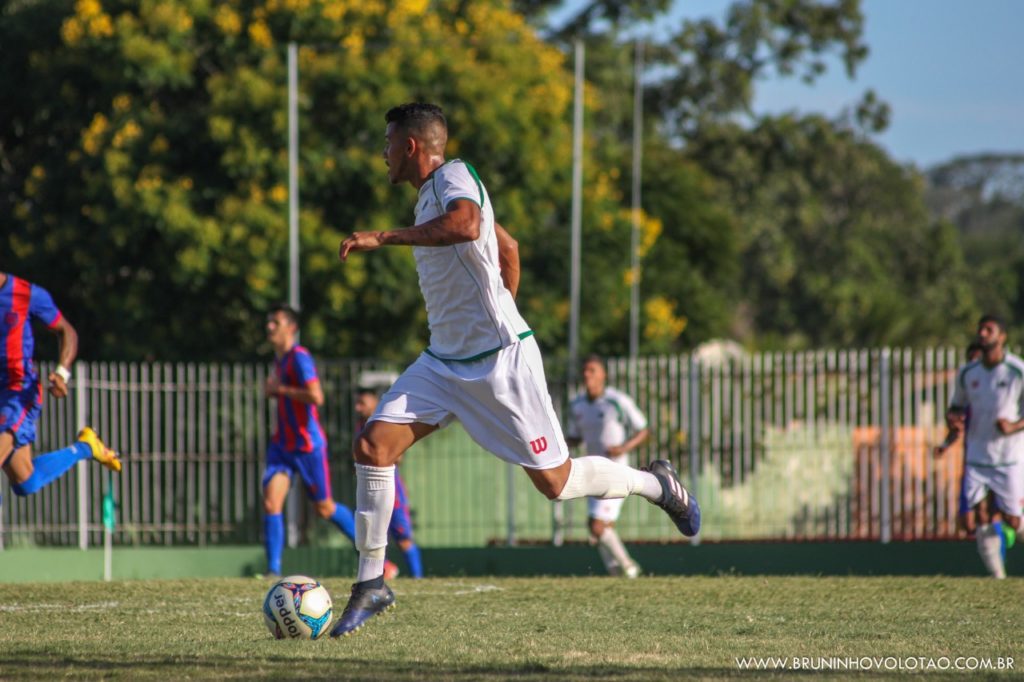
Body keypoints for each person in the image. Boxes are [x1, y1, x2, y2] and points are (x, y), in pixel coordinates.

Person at [329, 103, 700, 638]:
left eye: (388, 142)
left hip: (502, 364)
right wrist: (501, 305)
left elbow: (468, 225)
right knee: (372, 446)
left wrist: (381, 239)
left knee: (558, 482)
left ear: (411, 146)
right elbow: (508, 246)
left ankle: (656, 485)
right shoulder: (426, 199)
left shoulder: (455, 176)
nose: (382, 153)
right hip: (442, 363)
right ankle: (370, 584)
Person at [262, 304, 400, 579]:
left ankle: (378, 562)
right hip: (283, 446)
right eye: (269, 322)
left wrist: (281, 390)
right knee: (271, 502)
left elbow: (316, 396)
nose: (269, 327)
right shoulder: (279, 361)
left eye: (275, 322)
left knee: (324, 508)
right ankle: (272, 570)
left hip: (307, 446)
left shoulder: (299, 357)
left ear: (292, 328)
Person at [0, 272, 121, 504]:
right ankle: (87, 447)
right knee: (27, 481)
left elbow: (68, 332)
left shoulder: (26, 293)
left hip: (17, 392)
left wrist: (62, 373)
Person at [944, 314, 1024, 578]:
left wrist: (1013, 427)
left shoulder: (1017, 371)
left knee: (1013, 519)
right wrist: (953, 422)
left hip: (1007, 457)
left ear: (1002, 337)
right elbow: (955, 407)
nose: (982, 333)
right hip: (977, 457)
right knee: (980, 516)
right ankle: (998, 579)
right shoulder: (968, 373)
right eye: (980, 329)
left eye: (989, 329)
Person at [565, 355, 649, 578]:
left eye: (592, 370)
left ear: (603, 375)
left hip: (616, 469)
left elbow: (643, 429)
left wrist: (623, 448)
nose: (587, 375)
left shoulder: (617, 401)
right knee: (599, 528)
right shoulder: (577, 405)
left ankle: (628, 567)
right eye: (585, 370)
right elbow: (574, 437)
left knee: (597, 526)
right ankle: (616, 572)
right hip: (592, 470)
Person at [354, 387, 423, 579]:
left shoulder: (382, 423)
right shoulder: (361, 426)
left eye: (362, 403)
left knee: (403, 538)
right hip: (368, 486)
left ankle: (418, 577)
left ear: (375, 403)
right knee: (367, 533)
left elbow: (397, 455)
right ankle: (384, 569)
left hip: (391, 487)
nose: (358, 408)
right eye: (357, 403)